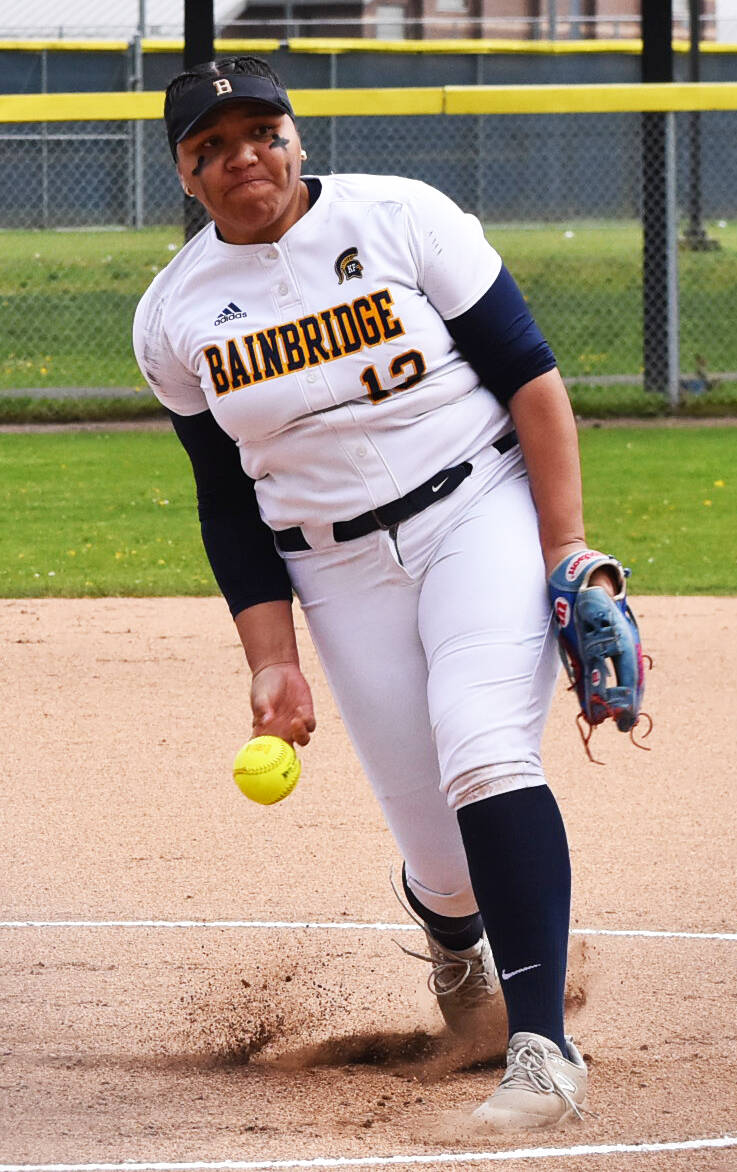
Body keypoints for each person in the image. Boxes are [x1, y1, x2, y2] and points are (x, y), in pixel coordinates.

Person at [134, 54, 620, 1131]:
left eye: (261, 130)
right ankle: (453, 934)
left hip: (473, 510)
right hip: (333, 565)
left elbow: (531, 378)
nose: (242, 156)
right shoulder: (173, 319)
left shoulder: (402, 218)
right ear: (184, 173)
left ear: (298, 138)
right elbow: (226, 503)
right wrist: (272, 658)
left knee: (485, 748)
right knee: (443, 860)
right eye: (210, 146)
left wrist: (568, 551)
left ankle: (541, 1051)